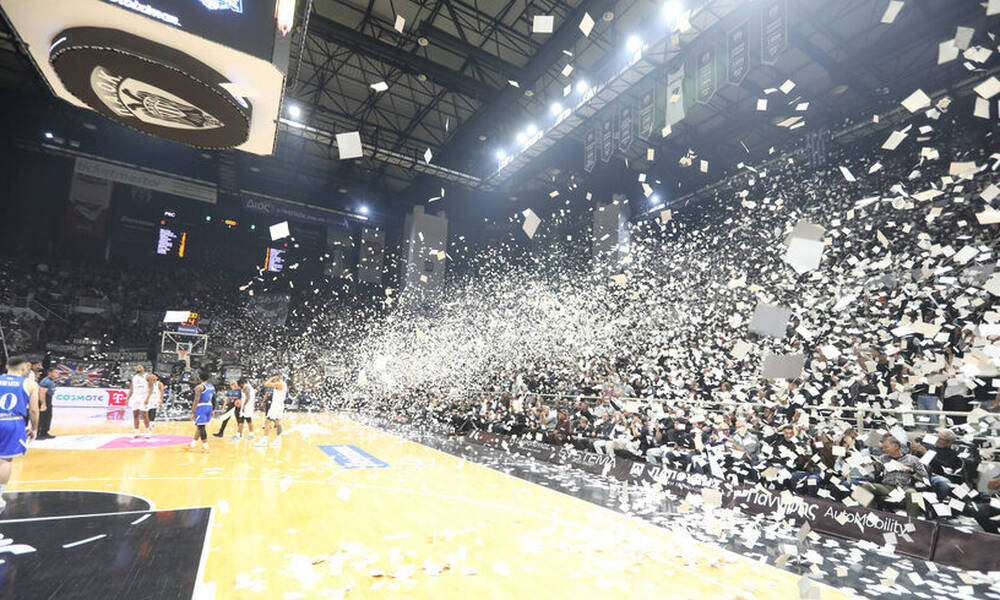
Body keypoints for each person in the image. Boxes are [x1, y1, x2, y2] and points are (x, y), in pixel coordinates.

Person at [0, 356, 40, 514]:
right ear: (24, 368)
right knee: (4, 460)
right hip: (12, 422)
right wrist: (34, 428)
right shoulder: (30, 383)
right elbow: (34, 409)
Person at [859, 435, 929, 517]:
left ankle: (913, 521)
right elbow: (873, 474)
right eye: (883, 448)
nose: (883, 450)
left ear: (896, 446)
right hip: (887, 487)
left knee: (913, 493)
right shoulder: (882, 458)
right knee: (863, 488)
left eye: (886, 447)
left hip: (905, 487)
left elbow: (925, 477)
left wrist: (911, 471)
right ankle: (873, 514)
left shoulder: (913, 459)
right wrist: (871, 466)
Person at [186, 372, 214, 452]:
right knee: (199, 426)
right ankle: (192, 444)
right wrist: (213, 409)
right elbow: (214, 398)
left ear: (199, 378)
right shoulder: (211, 386)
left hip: (201, 407)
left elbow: (196, 400)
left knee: (201, 427)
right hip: (209, 406)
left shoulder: (199, 387)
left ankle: (205, 446)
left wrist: (192, 412)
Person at [258, 374, 286, 446]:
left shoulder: (278, 383)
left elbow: (266, 384)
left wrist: (271, 378)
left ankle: (264, 441)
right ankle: (278, 440)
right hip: (280, 405)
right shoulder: (284, 384)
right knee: (278, 422)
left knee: (267, 422)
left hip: (276, 405)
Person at [127, 365, 151, 439]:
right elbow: (131, 389)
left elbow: (151, 388)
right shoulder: (134, 377)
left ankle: (147, 431)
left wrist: (147, 398)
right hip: (135, 396)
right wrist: (128, 398)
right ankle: (136, 431)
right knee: (135, 414)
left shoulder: (148, 376)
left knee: (144, 415)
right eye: (137, 367)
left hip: (143, 396)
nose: (138, 368)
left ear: (144, 368)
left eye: (140, 367)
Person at [37, 367, 58, 440]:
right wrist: (43, 404)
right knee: (42, 417)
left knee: (48, 416)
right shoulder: (46, 381)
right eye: (55, 372)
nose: (57, 374)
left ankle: (44, 432)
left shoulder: (51, 381)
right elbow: (42, 393)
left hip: (49, 399)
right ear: (50, 373)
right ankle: (38, 434)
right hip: (45, 399)